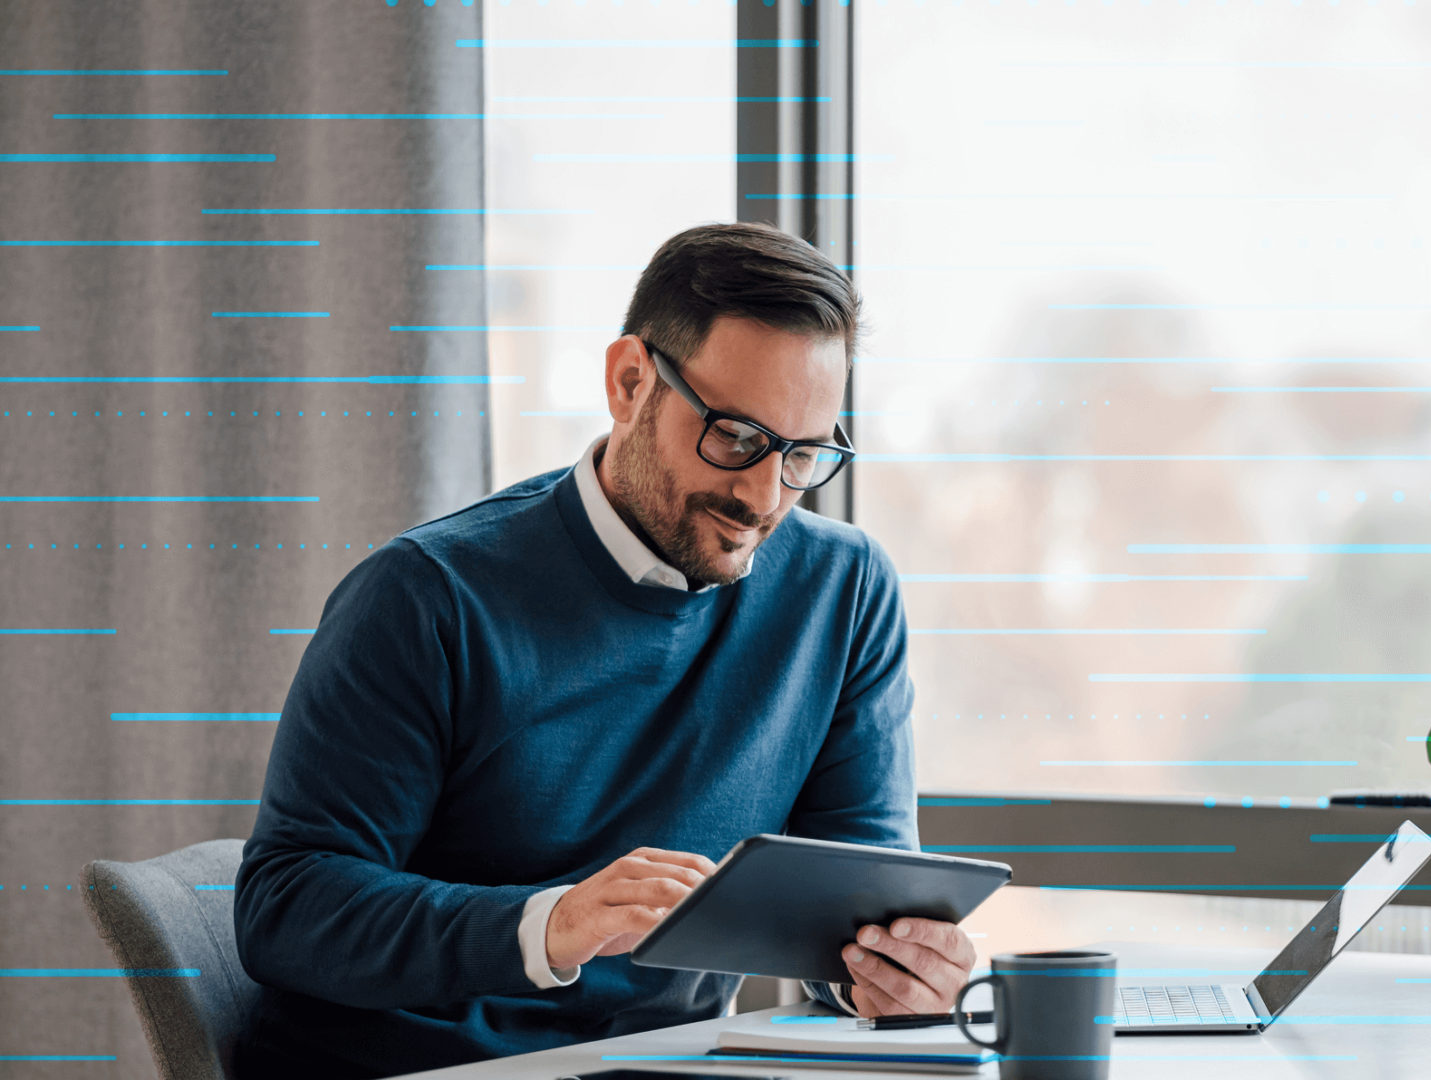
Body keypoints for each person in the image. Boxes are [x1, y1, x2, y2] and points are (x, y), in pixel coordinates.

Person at [232, 222, 975, 1079]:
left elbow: (858, 905)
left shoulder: (842, 593)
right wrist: (550, 925)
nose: (765, 496)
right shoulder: (426, 596)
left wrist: (891, 976)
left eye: (804, 453)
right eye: (735, 437)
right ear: (630, 382)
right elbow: (284, 909)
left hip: (666, 1066)